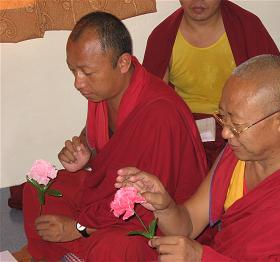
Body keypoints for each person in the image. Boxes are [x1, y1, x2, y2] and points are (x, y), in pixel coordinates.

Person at [116, 55, 280, 261]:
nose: (226, 133)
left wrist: (201, 258)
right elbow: (187, 225)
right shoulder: (239, 156)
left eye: (236, 125)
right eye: (223, 118)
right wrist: (164, 205)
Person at [23, 11, 208, 261]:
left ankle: (79, 250)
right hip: (108, 194)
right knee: (39, 189)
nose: (78, 83)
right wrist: (85, 157)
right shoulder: (102, 93)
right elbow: (104, 150)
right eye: (73, 70)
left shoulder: (160, 114)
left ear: (122, 63)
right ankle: (75, 253)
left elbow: (148, 206)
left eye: (87, 72)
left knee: (116, 247)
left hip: (155, 218)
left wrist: (77, 228)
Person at [143, 0, 280, 167]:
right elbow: (154, 103)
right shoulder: (163, 36)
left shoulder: (246, 26)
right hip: (188, 129)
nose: (197, 1)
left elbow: (272, 86)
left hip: (238, 125)